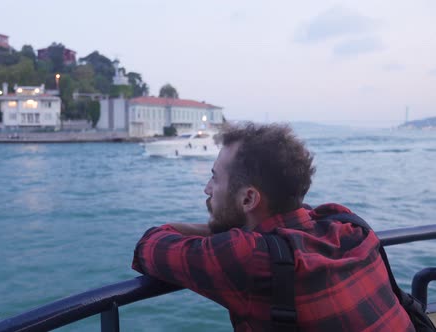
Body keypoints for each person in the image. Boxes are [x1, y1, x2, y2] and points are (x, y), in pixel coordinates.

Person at [132, 123, 413, 331]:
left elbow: (149, 245)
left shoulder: (249, 256)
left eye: (215, 179)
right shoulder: (347, 224)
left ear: (249, 198)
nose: (207, 189)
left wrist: (221, 231)